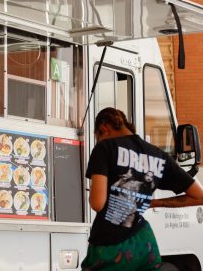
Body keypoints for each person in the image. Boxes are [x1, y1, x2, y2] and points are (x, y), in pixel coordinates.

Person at [81, 107, 203, 270]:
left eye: (98, 137)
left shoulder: (105, 148)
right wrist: (153, 203)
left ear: (104, 128)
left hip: (110, 246)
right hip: (144, 242)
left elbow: (97, 203)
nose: (99, 142)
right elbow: (198, 196)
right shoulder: (158, 155)